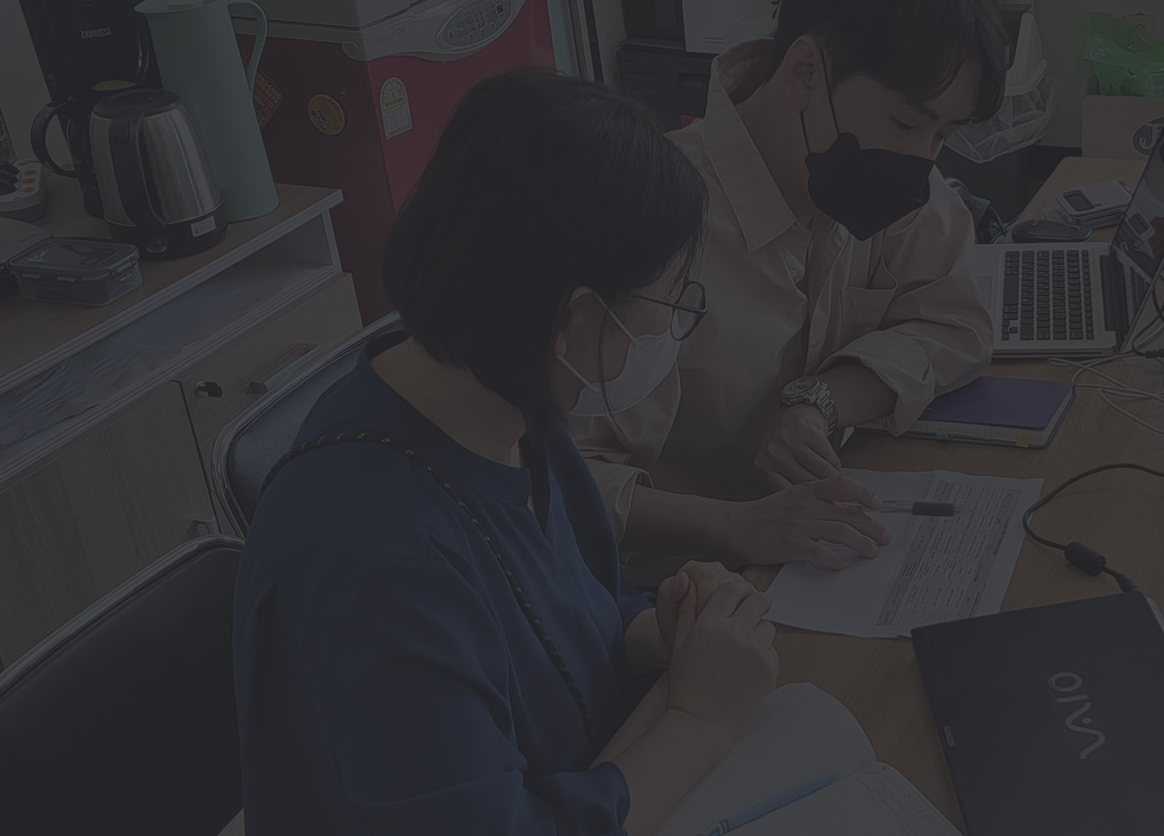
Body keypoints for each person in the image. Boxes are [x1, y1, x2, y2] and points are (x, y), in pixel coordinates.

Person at [233, 72, 780, 836]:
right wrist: (701, 722)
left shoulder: (508, 406)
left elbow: (558, 619)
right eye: (667, 301)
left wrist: (656, 634)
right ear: (573, 319)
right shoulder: (376, 559)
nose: (670, 330)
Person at [575, 0, 1004, 561]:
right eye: (904, 124)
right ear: (805, 72)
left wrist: (821, 401)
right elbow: (555, 474)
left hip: (811, 549)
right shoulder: (652, 218)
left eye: (942, 135)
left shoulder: (885, 177)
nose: (922, 161)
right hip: (677, 583)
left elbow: (956, 324)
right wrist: (732, 526)